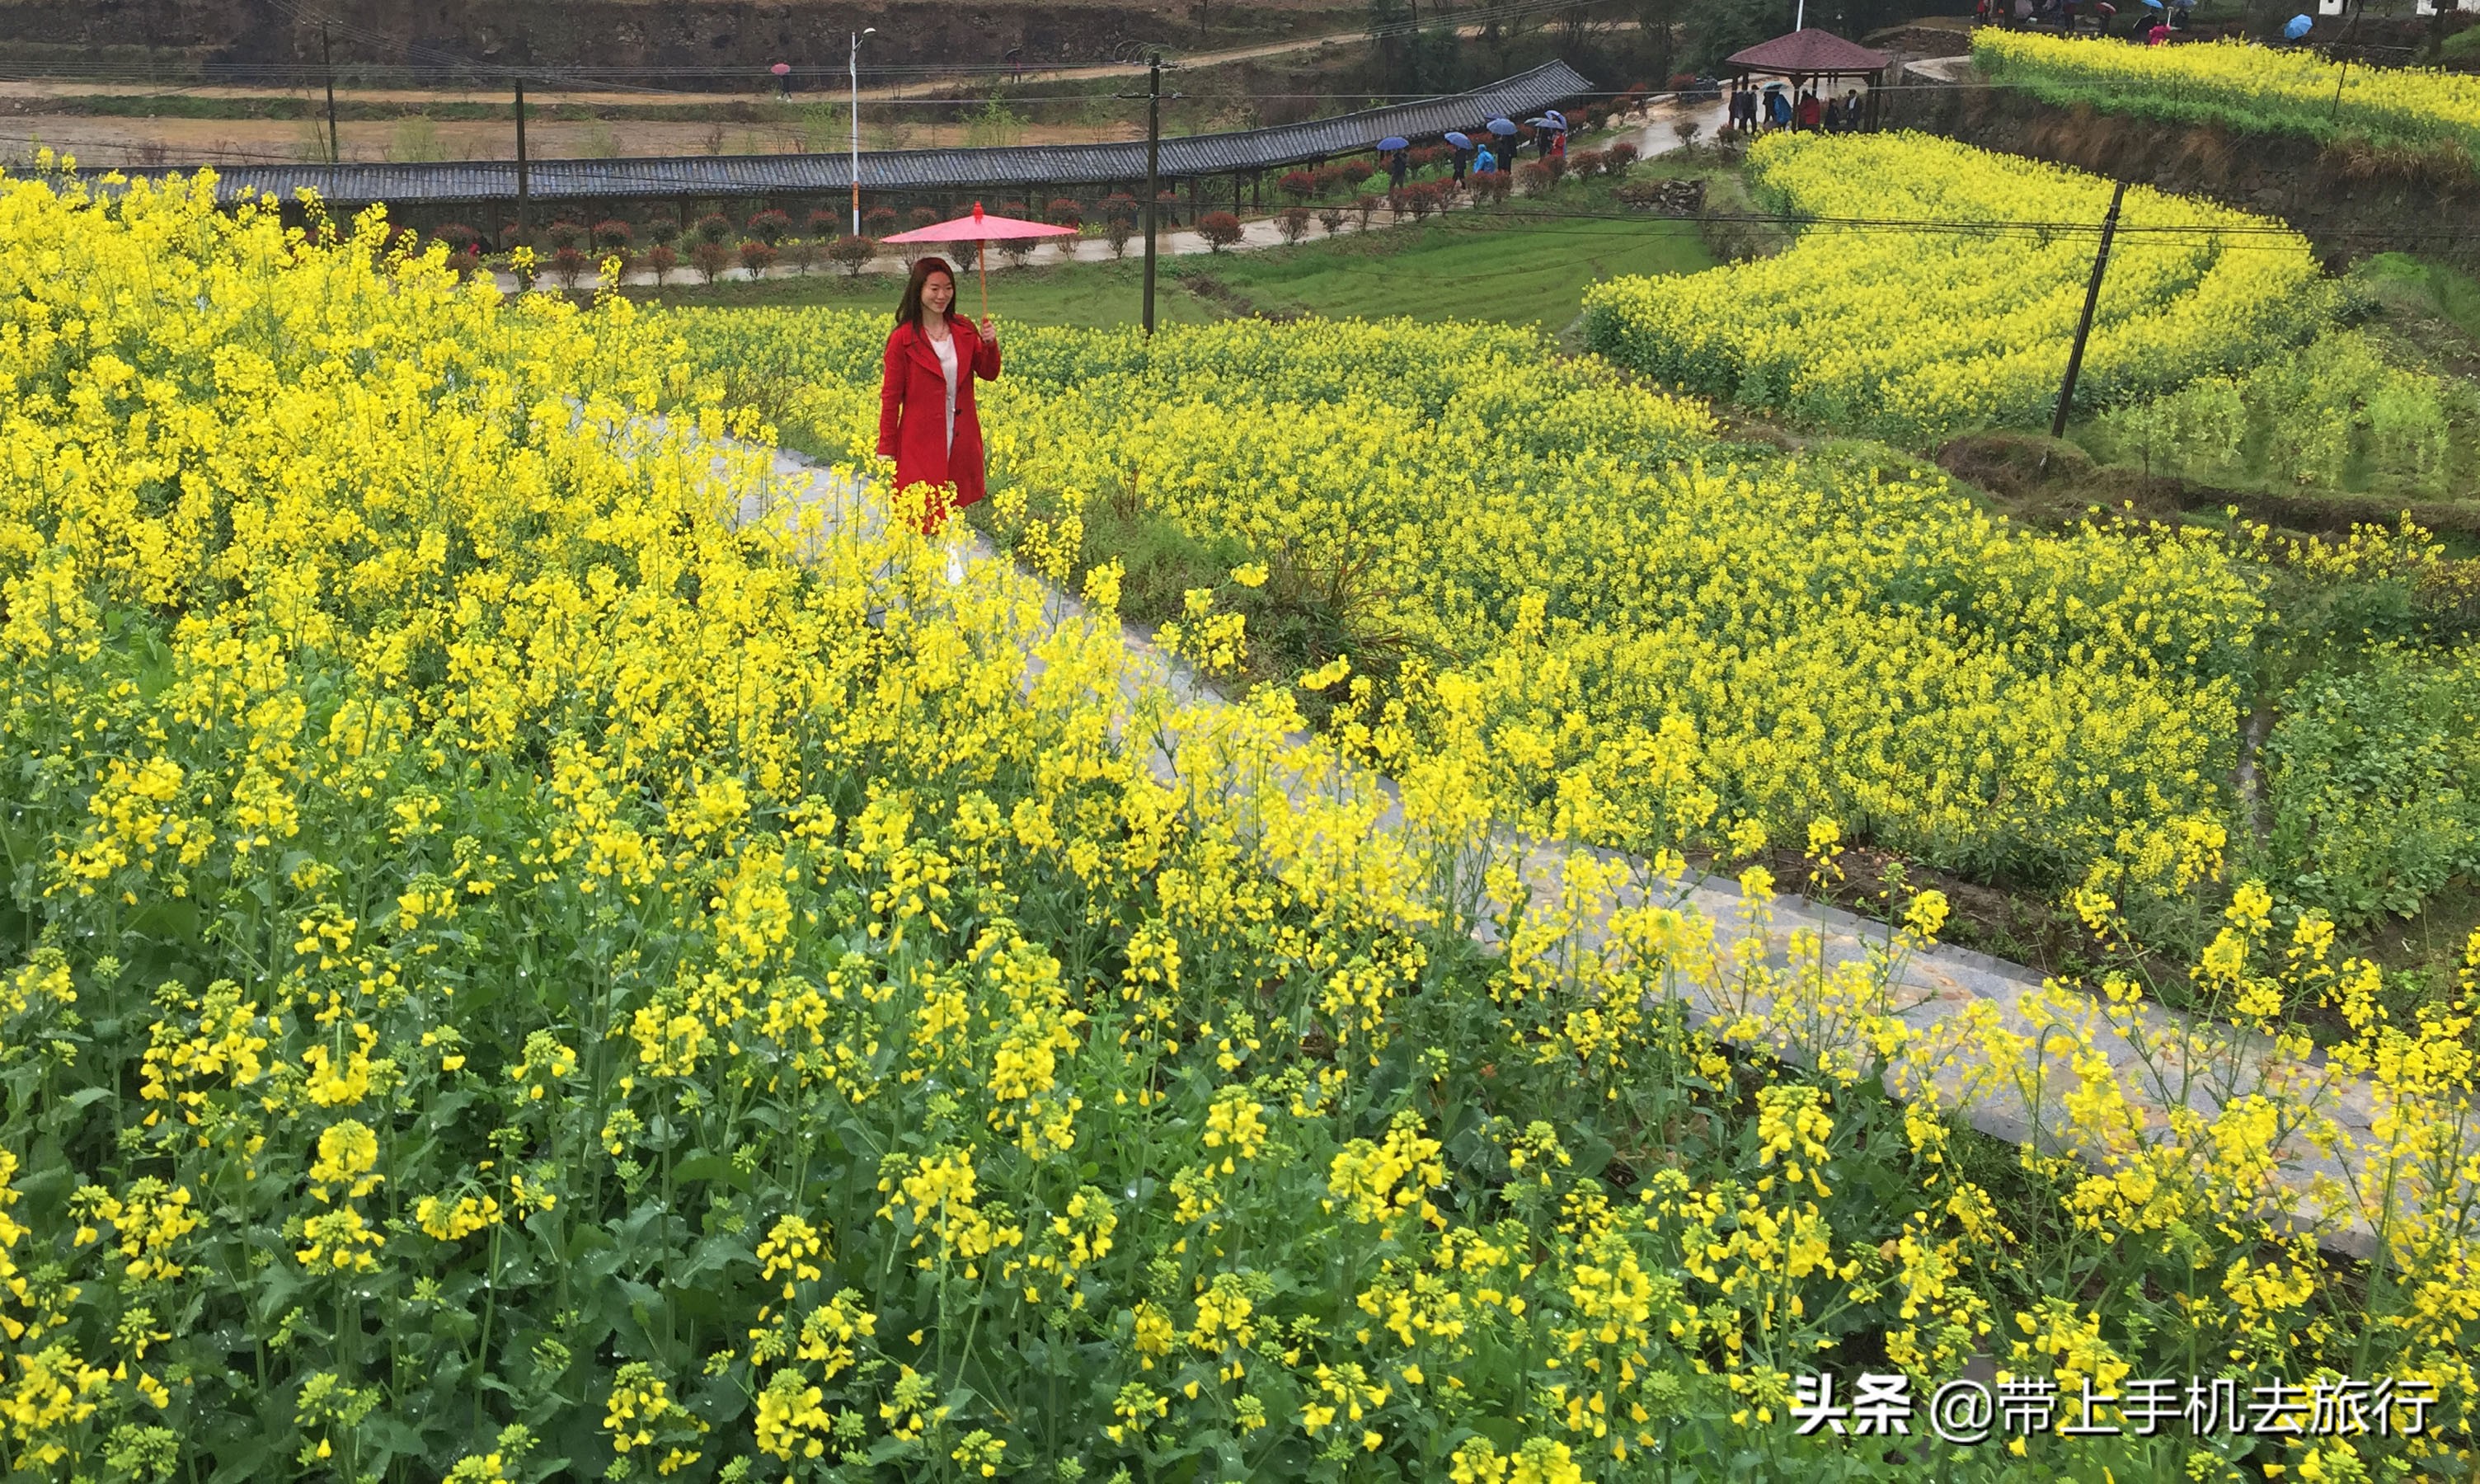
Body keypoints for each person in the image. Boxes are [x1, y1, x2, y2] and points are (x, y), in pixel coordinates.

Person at [876, 256, 1001, 533]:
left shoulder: (964, 328)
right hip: (919, 440)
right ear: (919, 290)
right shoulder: (903, 339)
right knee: (920, 513)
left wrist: (990, 344)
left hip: (960, 433)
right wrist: (886, 447)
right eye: (934, 288)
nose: (942, 295)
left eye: (948, 288)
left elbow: (988, 372)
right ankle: (921, 569)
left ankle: (949, 570)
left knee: (952, 509)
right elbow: (890, 397)